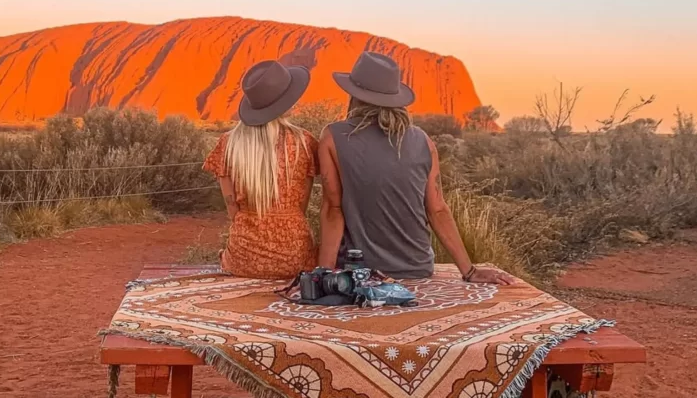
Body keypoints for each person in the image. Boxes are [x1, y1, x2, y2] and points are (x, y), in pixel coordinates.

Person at [317, 50, 512, 285]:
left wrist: (323, 275)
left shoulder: (332, 137)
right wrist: (469, 271)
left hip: (359, 273)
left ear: (354, 94)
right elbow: (437, 210)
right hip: (417, 268)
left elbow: (333, 210)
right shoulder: (423, 141)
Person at [204, 59, 319, 279]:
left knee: (230, 253)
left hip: (244, 259)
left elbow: (232, 211)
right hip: (294, 258)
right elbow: (302, 205)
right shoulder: (304, 142)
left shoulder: (229, 143)